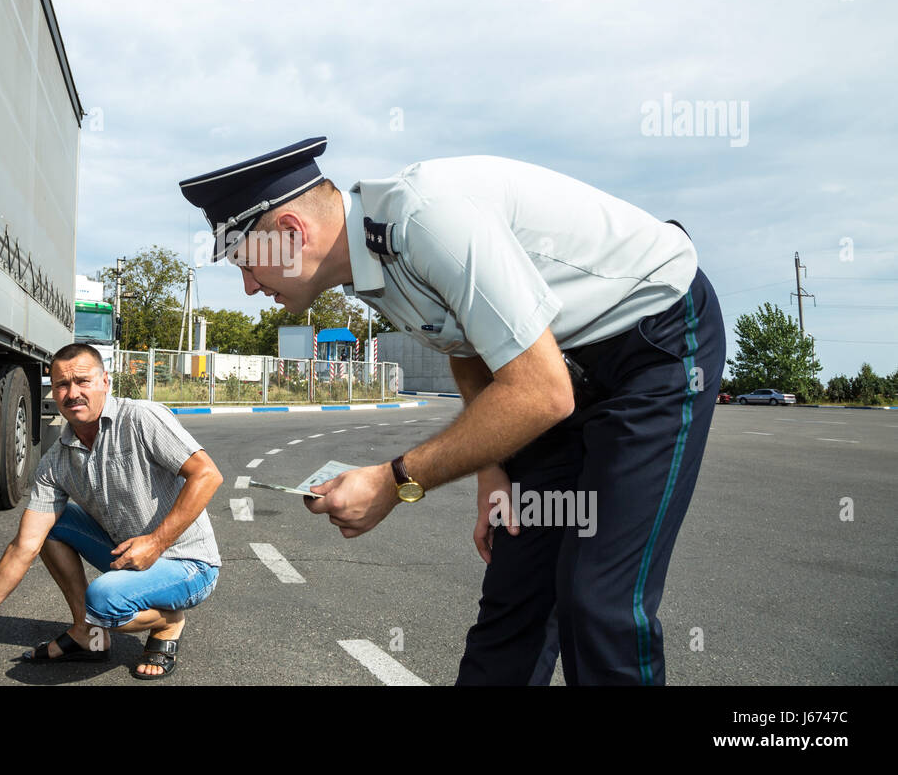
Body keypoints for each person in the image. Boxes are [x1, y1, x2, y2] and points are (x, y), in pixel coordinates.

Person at [178, 137, 724, 685]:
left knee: (598, 600)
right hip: (555, 360)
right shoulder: (368, 264)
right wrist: (495, 468)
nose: (249, 288)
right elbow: (465, 346)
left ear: (293, 236)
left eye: (248, 265)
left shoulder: (424, 219)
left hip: (652, 343)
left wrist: (394, 482)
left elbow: (541, 393)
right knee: (516, 593)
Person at [0, 343, 223, 680]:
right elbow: (24, 546)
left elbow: (207, 475)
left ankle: (167, 622)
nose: (72, 393)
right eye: (62, 384)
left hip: (188, 563)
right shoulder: (56, 460)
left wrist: (157, 542)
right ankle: (87, 634)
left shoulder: (141, 419)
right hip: (128, 555)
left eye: (83, 381)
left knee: (102, 600)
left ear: (106, 381)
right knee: (51, 528)